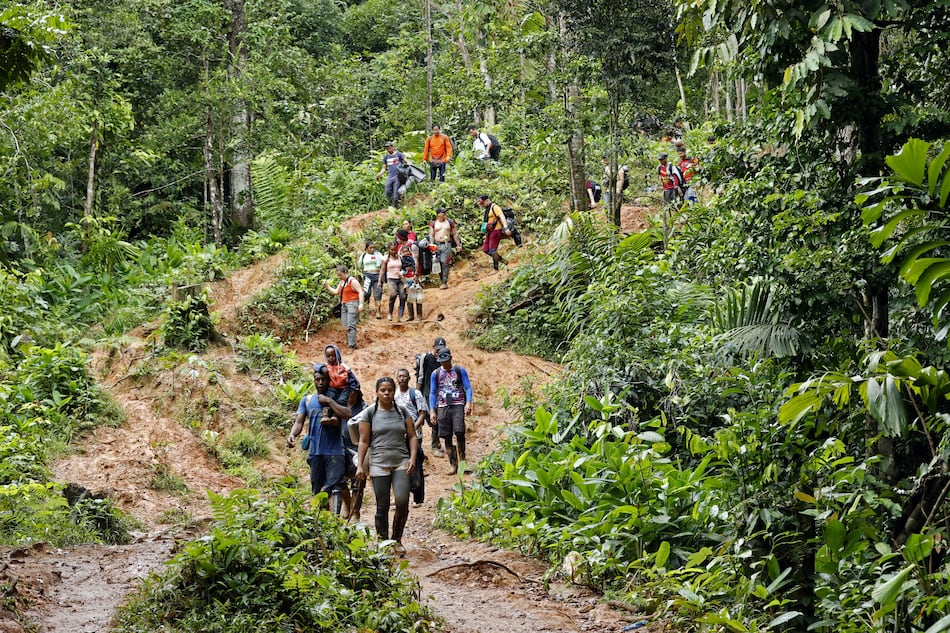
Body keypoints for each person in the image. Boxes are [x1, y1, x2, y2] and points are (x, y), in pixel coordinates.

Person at [354, 376, 418, 552]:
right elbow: (363, 441)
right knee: (382, 505)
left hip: (401, 461)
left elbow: (412, 436)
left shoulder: (403, 412)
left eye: (390, 390)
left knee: (402, 501)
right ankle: (383, 543)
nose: (387, 393)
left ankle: (397, 540)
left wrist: (412, 458)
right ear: (377, 392)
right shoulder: (370, 413)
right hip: (378, 463)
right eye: (383, 390)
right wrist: (360, 465)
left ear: (394, 391)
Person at [286, 363, 353, 515]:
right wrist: (292, 435)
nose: (320, 382)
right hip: (315, 451)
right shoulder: (307, 400)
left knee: (334, 484)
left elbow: (347, 413)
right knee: (318, 489)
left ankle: (345, 512)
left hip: (335, 450)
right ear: (314, 381)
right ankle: (325, 519)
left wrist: (329, 402)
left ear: (329, 380)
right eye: (317, 379)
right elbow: (299, 421)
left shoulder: (336, 398)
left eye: (323, 379)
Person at [428, 348, 473, 475]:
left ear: (451, 358)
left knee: (459, 431)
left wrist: (468, 403)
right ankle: (453, 463)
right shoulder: (435, 374)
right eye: (442, 362)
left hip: (457, 404)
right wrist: (432, 410)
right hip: (443, 406)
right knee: (446, 435)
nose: (444, 364)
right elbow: (432, 393)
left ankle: (463, 461)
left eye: (446, 361)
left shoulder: (459, 370)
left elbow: (468, 387)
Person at [395, 368, 428, 506]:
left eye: (404, 376)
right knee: (399, 465)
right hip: (398, 435)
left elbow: (422, 413)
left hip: (415, 434)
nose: (402, 378)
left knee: (416, 463)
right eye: (399, 376)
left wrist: (412, 428)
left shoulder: (416, 393)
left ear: (409, 378)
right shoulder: (394, 394)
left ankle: (418, 497)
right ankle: (400, 494)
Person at [416, 337, 447, 457]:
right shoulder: (426, 358)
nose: (439, 351)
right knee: (433, 420)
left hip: (440, 393)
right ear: (433, 347)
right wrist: (417, 394)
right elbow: (420, 375)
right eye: (438, 349)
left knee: (439, 419)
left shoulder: (443, 359)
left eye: (442, 349)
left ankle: (437, 442)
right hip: (428, 393)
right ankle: (434, 445)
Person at [325, 265, 363, 349]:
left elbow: (360, 292)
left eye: (340, 275)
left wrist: (361, 304)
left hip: (352, 304)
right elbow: (336, 292)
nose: (339, 277)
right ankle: (350, 342)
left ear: (345, 273)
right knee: (345, 325)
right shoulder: (342, 282)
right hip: (344, 305)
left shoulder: (352, 281)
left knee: (351, 325)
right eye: (338, 275)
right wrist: (327, 286)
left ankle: (352, 345)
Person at [476, 194, 511, 271]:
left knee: (492, 250)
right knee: (486, 249)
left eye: (483, 204)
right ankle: (503, 260)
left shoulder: (495, 207)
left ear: (487, 201)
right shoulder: (487, 209)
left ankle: (496, 269)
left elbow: (502, 217)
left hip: (496, 231)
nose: (482, 206)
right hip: (489, 232)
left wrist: (506, 228)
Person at [428, 207, 460, 289]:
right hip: (436, 244)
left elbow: (455, 233)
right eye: (443, 212)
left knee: (445, 262)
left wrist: (458, 244)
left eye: (445, 212)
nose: (445, 214)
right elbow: (431, 235)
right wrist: (431, 245)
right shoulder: (433, 223)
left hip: (446, 244)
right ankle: (442, 280)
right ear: (438, 214)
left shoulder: (450, 222)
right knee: (438, 263)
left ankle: (444, 282)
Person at [379, 242, 407, 322]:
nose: (393, 251)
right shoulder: (385, 258)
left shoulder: (400, 257)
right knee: (393, 294)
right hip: (391, 278)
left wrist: (403, 272)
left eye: (395, 250)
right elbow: (382, 270)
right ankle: (390, 313)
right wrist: (379, 281)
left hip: (400, 279)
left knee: (403, 296)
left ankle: (400, 316)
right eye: (392, 250)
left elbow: (404, 268)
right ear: (389, 249)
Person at [357, 241, 385, 319]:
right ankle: (366, 309)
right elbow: (359, 265)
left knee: (378, 293)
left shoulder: (378, 255)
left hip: (377, 275)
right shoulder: (363, 256)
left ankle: (378, 312)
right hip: (367, 275)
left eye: (373, 248)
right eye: (370, 248)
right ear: (366, 249)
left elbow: (383, 262)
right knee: (366, 293)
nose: (372, 249)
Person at [375, 141, 406, 207]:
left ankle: (395, 207)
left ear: (392, 147)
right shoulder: (386, 157)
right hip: (390, 176)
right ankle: (395, 204)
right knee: (387, 191)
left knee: (396, 193)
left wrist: (409, 164)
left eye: (389, 148)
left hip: (398, 176)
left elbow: (405, 160)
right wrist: (380, 174)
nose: (388, 150)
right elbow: (384, 168)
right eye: (387, 149)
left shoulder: (399, 154)